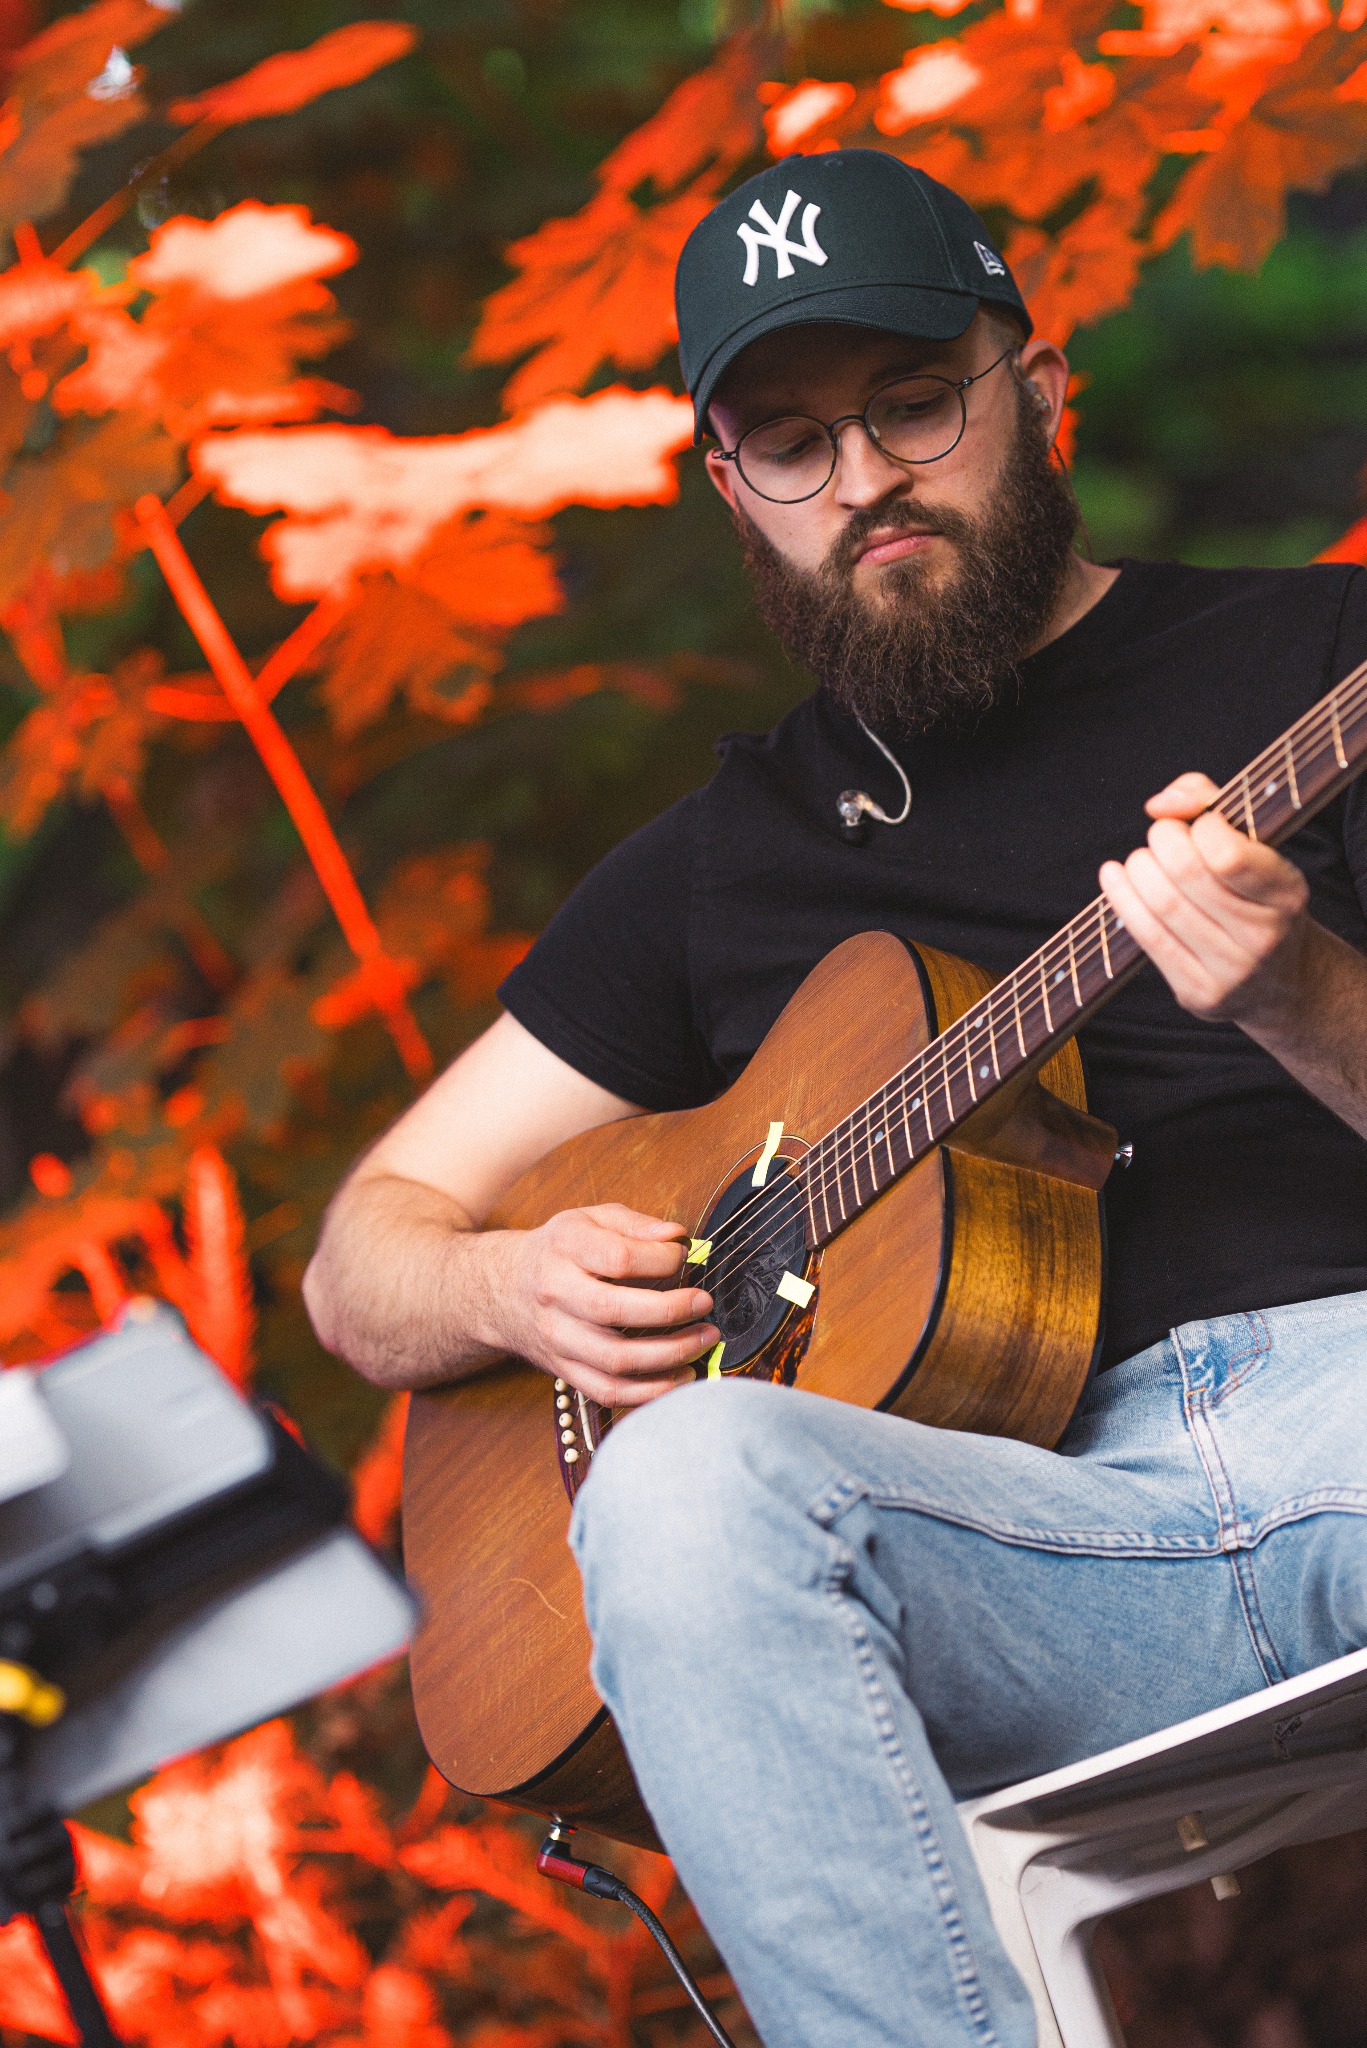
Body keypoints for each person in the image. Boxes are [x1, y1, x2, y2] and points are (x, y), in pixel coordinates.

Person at [304, 150, 1367, 2047]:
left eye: (912, 403)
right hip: (1045, 1553)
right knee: (681, 1482)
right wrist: (509, 1285)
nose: (863, 477)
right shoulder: (722, 862)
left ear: (1040, 392)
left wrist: (1300, 990)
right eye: (791, 443)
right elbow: (361, 1264)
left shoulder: (1317, 668)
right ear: (732, 490)